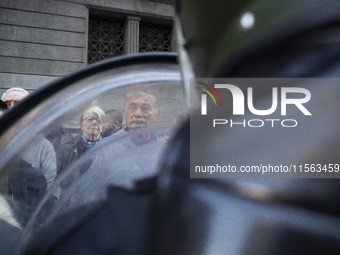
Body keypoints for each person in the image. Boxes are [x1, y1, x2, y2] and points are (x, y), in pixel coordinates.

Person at [56, 105, 105, 188]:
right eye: (90, 119)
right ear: (81, 124)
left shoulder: (111, 147)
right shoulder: (66, 149)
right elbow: (55, 180)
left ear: (102, 127)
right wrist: (68, 196)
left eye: (98, 120)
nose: (94, 122)